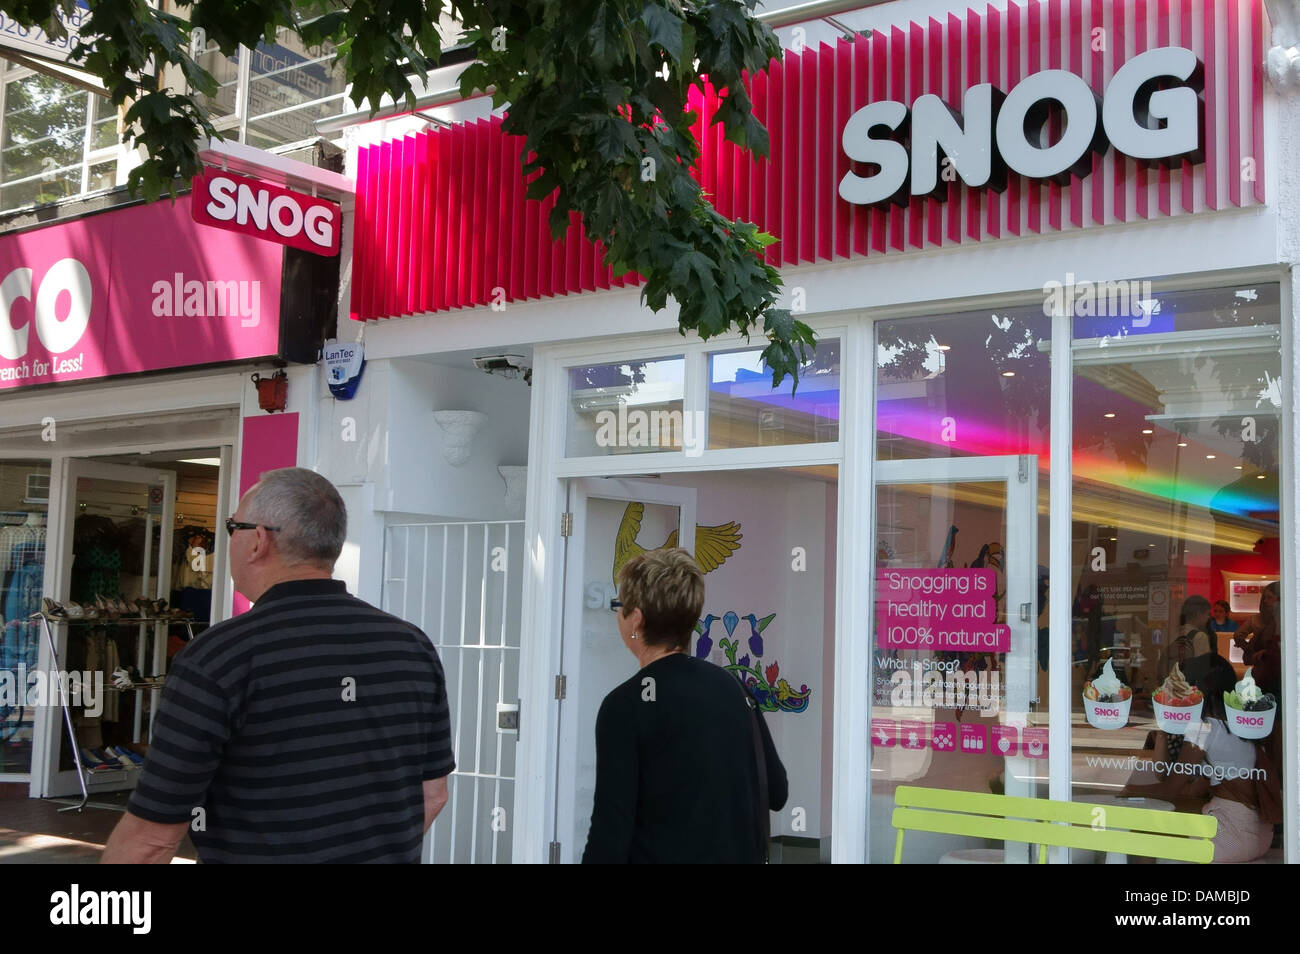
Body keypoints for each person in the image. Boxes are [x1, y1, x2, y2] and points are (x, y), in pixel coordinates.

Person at [101, 467, 455, 863]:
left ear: (259, 541)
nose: (227, 539)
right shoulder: (411, 645)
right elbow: (433, 794)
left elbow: (152, 840)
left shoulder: (217, 658)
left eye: (232, 526)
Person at [582, 548, 788, 863]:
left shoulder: (624, 707)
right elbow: (777, 792)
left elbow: (610, 832)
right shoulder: (735, 689)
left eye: (619, 606)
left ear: (636, 618)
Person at [1150, 656, 1277, 864]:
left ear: (1197, 689)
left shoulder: (1204, 728)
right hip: (1259, 835)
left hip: (1230, 835)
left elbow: (1169, 788)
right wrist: (1164, 731)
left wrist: (1125, 794)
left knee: (1150, 842)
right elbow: (1181, 783)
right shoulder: (1239, 726)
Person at [1234, 582, 1280, 696]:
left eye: (1269, 597)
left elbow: (1238, 635)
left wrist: (1249, 649)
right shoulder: (1257, 619)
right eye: (1264, 597)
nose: (1265, 601)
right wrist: (1250, 650)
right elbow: (1238, 635)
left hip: (1271, 667)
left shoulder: (1277, 619)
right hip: (1264, 667)